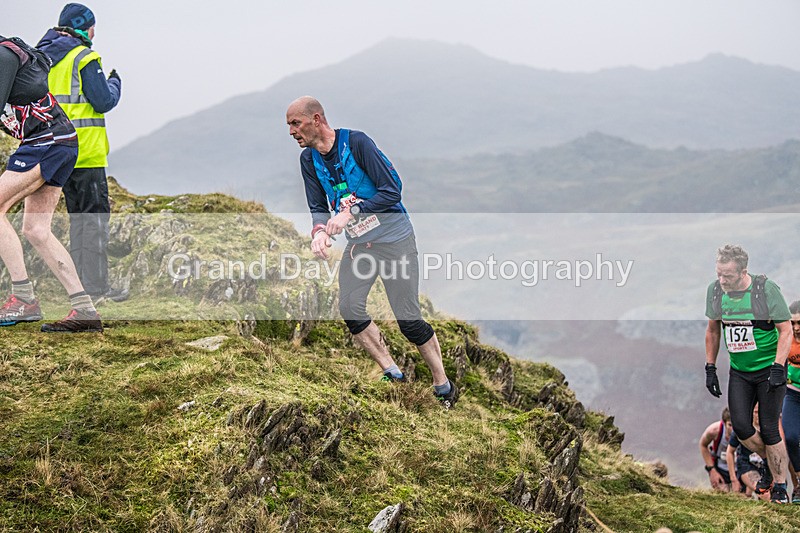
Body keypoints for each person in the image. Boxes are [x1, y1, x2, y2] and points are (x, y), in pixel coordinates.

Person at [286, 96, 459, 408]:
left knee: (408, 321)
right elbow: (317, 207)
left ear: (317, 119)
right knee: (350, 308)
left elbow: (393, 190)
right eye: (288, 126)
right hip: (360, 247)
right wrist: (319, 233)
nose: (291, 131)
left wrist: (353, 212)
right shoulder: (308, 160)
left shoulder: (357, 143)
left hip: (395, 242)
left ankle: (443, 386)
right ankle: (393, 373)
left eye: (295, 123)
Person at [0, 35, 102, 332]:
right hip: (56, 141)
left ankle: (23, 298)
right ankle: (85, 311)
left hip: (48, 141)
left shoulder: (4, 57)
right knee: (36, 229)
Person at [36, 3, 127, 303]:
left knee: (78, 222)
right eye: (92, 27)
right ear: (83, 27)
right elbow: (102, 101)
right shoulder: (84, 57)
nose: (93, 33)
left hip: (56, 153)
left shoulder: (46, 57)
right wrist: (115, 82)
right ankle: (97, 289)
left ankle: (78, 286)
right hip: (86, 153)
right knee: (94, 222)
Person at [705, 244, 792, 503]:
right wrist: (710, 367)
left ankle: (779, 486)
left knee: (769, 428)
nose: (722, 280)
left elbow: (786, 330)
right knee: (741, 427)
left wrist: (778, 366)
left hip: (769, 369)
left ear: (743, 271)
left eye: (727, 276)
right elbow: (713, 330)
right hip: (740, 372)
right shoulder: (716, 291)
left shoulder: (765, 290)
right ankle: (769, 463)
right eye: (719, 274)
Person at [726, 404, 769, 500]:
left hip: (767, 467)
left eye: (760, 412)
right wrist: (733, 479)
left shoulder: (771, 427)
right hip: (747, 465)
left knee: (777, 494)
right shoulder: (743, 428)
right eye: (756, 412)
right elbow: (730, 451)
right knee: (765, 494)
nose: (758, 415)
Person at [782, 300, 800, 503]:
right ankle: (798, 485)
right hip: (793, 393)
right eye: (792, 322)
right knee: (791, 438)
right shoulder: (786, 336)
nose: (796, 328)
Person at [699, 407, 733, 491]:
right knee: (722, 496)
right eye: (730, 425)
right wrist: (712, 470)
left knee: (743, 498)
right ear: (724, 423)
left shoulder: (747, 431)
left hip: (739, 469)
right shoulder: (714, 430)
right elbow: (703, 445)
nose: (733, 429)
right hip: (720, 468)